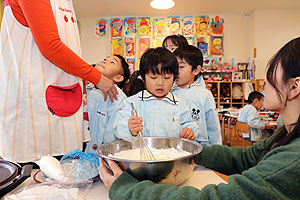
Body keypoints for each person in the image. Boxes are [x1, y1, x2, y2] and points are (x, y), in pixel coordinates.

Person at [99, 37, 300, 200]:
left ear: (294, 87)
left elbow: (213, 196)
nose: (264, 81)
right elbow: (246, 158)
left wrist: (125, 189)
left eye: (271, 71)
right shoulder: (284, 135)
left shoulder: (292, 160)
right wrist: (188, 152)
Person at [0, 0, 118, 163]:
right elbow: (50, 45)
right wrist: (96, 77)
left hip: (62, 104)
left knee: (63, 177)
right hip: (35, 109)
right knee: (36, 178)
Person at [115, 47, 200, 141]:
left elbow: (189, 124)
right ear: (143, 78)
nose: (160, 83)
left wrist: (189, 131)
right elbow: (119, 129)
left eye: (166, 77)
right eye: (153, 77)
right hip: (141, 153)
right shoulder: (132, 103)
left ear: (174, 78)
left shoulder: (179, 104)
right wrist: (129, 128)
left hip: (171, 153)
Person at [172, 45, 222, 146]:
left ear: (196, 70)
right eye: (174, 67)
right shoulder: (169, 93)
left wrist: (216, 151)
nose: (176, 71)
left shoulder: (204, 95)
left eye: (181, 67)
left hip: (200, 149)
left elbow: (213, 127)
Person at [85, 55, 130, 156]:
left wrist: (105, 156)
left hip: (101, 156)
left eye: (112, 62)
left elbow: (113, 132)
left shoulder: (117, 98)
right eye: (105, 59)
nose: (105, 61)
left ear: (118, 77)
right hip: (82, 152)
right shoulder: (88, 88)